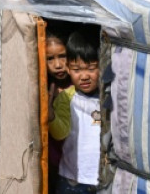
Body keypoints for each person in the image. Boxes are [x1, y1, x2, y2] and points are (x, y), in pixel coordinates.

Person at [49, 29, 101, 194]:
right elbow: (60, 132)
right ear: (69, 69)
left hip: (102, 180)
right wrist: (51, 117)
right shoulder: (66, 98)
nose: (84, 76)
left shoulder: (109, 98)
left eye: (91, 68)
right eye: (77, 70)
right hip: (71, 181)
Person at [45, 27, 73, 192]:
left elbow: (95, 118)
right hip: (53, 161)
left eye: (62, 56)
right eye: (50, 59)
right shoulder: (43, 88)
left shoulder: (81, 88)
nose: (58, 65)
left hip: (77, 161)